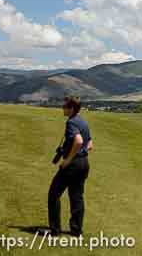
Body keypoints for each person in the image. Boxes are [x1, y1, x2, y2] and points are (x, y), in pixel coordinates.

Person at [48, 96, 94, 236]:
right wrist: (81, 153)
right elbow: (90, 143)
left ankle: (55, 231)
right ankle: (76, 231)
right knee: (77, 197)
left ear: (72, 109)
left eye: (65, 106)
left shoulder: (72, 122)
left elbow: (79, 141)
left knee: (54, 194)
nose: (62, 108)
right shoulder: (83, 122)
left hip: (72, 165)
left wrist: (68, 159)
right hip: (84, 163)